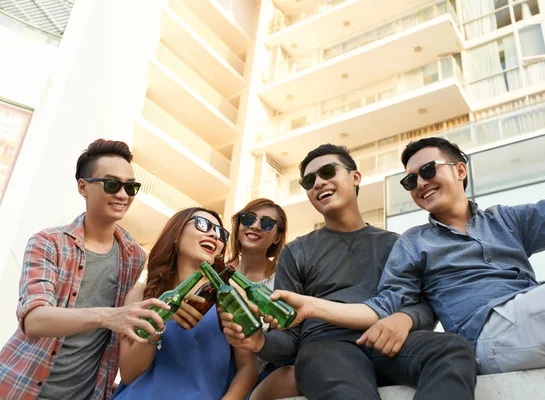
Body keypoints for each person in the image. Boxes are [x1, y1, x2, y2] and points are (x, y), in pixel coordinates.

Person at [273, 137, 545, 377]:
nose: (420, 182)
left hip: (536, 306)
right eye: (411, 179)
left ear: (460, 170)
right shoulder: (414, 243)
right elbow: (386, 305)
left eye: (428, 169)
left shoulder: (504, 220)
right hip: (492, 330)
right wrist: (312, 306)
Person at [221, 144, 477, 400]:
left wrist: (405, 319)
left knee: (452, 349)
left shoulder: (396, 243)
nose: (319, 183)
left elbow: (422, 303)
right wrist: (260, 343)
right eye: (309, 181)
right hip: (325, 349)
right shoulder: (296, 251)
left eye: (328, 172)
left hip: (390, 343)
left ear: (355, 177)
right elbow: (289, 337)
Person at [0, 139, 167, 400]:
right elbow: (34, 320)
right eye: (112, 184)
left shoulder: (134, 256)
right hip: (19, 387)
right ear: (83, 187)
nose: (123, 195)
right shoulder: (48, 242)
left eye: (130, 187)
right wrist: (109, 317)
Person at [112, 207, 258, 400]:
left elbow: (248, 368)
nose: (214, 235)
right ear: (176, 233)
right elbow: (130, 375)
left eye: (220, 233)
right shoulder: (141, 294)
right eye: (203, 225)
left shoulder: (230, 295)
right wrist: (161, 318)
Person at [226, 198, 298, 400]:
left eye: (267, 223)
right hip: (216, 370)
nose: (255, 226)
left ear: (277, 237)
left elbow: (289, 339)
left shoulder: (283, 280)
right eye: (248, 219)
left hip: (263, 377)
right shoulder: (216, 276)